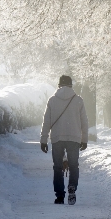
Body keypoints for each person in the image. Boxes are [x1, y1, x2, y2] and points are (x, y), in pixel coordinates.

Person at [40, 75, 88, 205]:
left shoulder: (52, 100)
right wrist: (84, 139)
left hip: (57, 137)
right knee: (73, 166)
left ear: (59, 85)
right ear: (71, 85)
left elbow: (46, 122)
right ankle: (72, 186)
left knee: (57, 167)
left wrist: (43, 139)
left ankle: (60, 196)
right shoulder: (78, 100)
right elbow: (84, 122)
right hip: (74, 138)